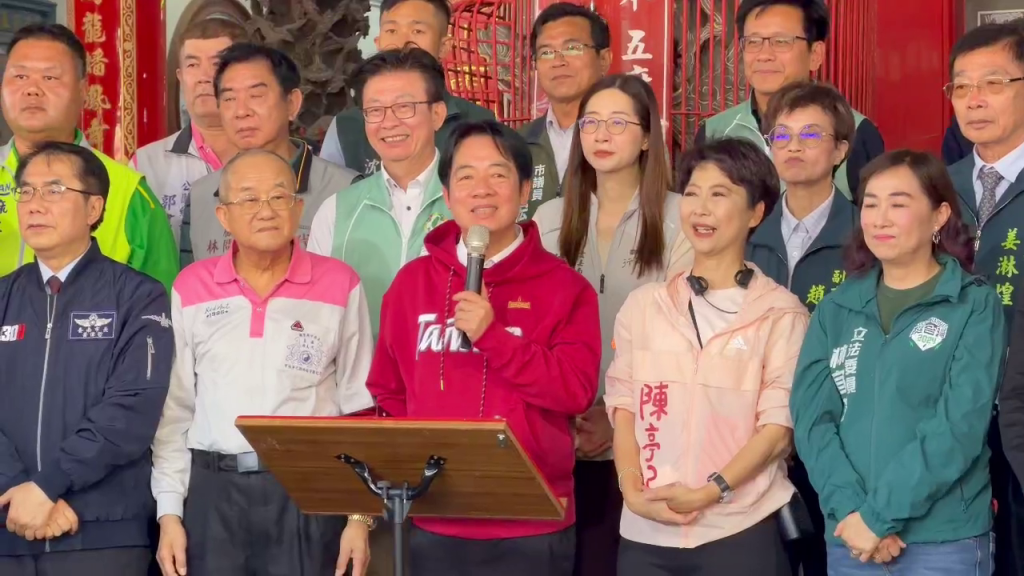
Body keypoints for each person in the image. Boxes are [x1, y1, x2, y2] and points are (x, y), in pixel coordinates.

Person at [366, 119, 601, 576]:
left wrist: (494, 337)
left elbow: (575, 391)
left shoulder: (565, 288)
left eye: (498, 174)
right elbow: (388, 391)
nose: (482, 190)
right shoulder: (411, 284)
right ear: (447, 193)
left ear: (525, 189)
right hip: (435, 516)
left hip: (531, 522)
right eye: (466, 176)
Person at [151, 149, 375, 576]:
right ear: (223, 215)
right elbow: (175, 410)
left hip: (309, 490)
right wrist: (169, 512)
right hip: (213, 493)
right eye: (249, 199)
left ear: (298, 208)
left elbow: (359, 406)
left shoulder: (339, 283)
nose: (266, 210)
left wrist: (359, 516)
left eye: (278, 197)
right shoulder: (191, 287)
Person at [791, 150, 1002, 574]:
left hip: (943, 541)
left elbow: (958, 426)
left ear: (939, 215)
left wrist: (878, 518)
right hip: (851, 538)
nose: (880, 219)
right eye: (870, 204)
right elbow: (812, 420)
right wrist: (851, 511)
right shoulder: (837, 308)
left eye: (898, 204)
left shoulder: (973, 305)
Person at [604, 137, 802, 575]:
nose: (701, 209)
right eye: (692, 194)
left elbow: (777, 430)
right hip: (645, 530)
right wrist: (632, 492)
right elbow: (623, 408)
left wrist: (710, 492)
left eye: (719, 194)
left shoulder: (781, 313)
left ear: (755, 213)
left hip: (739, 528)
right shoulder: (644, 306)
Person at [532, 74, 691, 576]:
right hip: (558, 436)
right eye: (591, 123)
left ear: (647, 137)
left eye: (618, 123)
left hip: (648, 440)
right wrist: (569, 413)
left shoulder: (682, 217)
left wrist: (619, 416)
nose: (601, 134)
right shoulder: (548, 219)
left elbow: (680, 340)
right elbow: (535, 327)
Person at [0, 141, 174, 575]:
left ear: (94, 208)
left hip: (101, 531)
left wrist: (48, 485)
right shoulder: (3, 296)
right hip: (9, 522)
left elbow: (132, 410)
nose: (35, 204)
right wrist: (18, 488)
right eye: (26, 191)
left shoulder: (138, 296)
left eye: (54, 190)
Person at [745, 80, 857, 576]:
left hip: (839, 435)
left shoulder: (867, 234)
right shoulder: (748, 233)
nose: (793, 146)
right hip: (756, 435)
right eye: (781, 136)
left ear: (840, 150)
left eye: (811, 135)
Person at [0, 24, 177, 292]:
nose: (32, 89)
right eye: (20, 76)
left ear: (83, 91)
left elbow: (159, 304)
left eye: (50, 77)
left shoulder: (127, 192)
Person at [946, 23, 1024, 576]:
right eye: (961, 86)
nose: (974, 99)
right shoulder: (932, 189)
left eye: (993, 83)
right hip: (950, 418)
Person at [308, 47, 453, 341]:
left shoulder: (471, 203)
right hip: (363, 370)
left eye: (404, 107)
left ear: (437, 114)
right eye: (375, 110)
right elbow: (316, 314)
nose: (388, 122)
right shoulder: (337, 211)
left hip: (446, 369)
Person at [179, 43, 357, 267]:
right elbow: (190, 283)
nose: (241, 111)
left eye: (256, 95)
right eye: (229, 99)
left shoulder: (346, 191)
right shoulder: (200, 196)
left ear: (292, 103)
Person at [695, 0, 883, 201]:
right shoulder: (714, 132)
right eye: (753, 41)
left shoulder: (856, 133)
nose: (764, 55)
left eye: (781, 41)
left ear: (815, 54)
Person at [319, 0, 495, 177]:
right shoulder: (345, 127)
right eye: (391, 31)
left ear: (444, 47)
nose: (403, 42)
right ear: (378, 42)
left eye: (417, 31)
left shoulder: (479, 123)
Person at [131, 18, 248, 245]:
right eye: (192, 65)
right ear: (180, 77)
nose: (204, 77)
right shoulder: (147, 164)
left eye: (217, 64)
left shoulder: (277, 154)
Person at [520, 2, 611, 220]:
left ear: (604, 60)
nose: (558, 61)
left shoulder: (627, 136)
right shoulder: (517, 143)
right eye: (546, 52)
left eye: (572, 48)